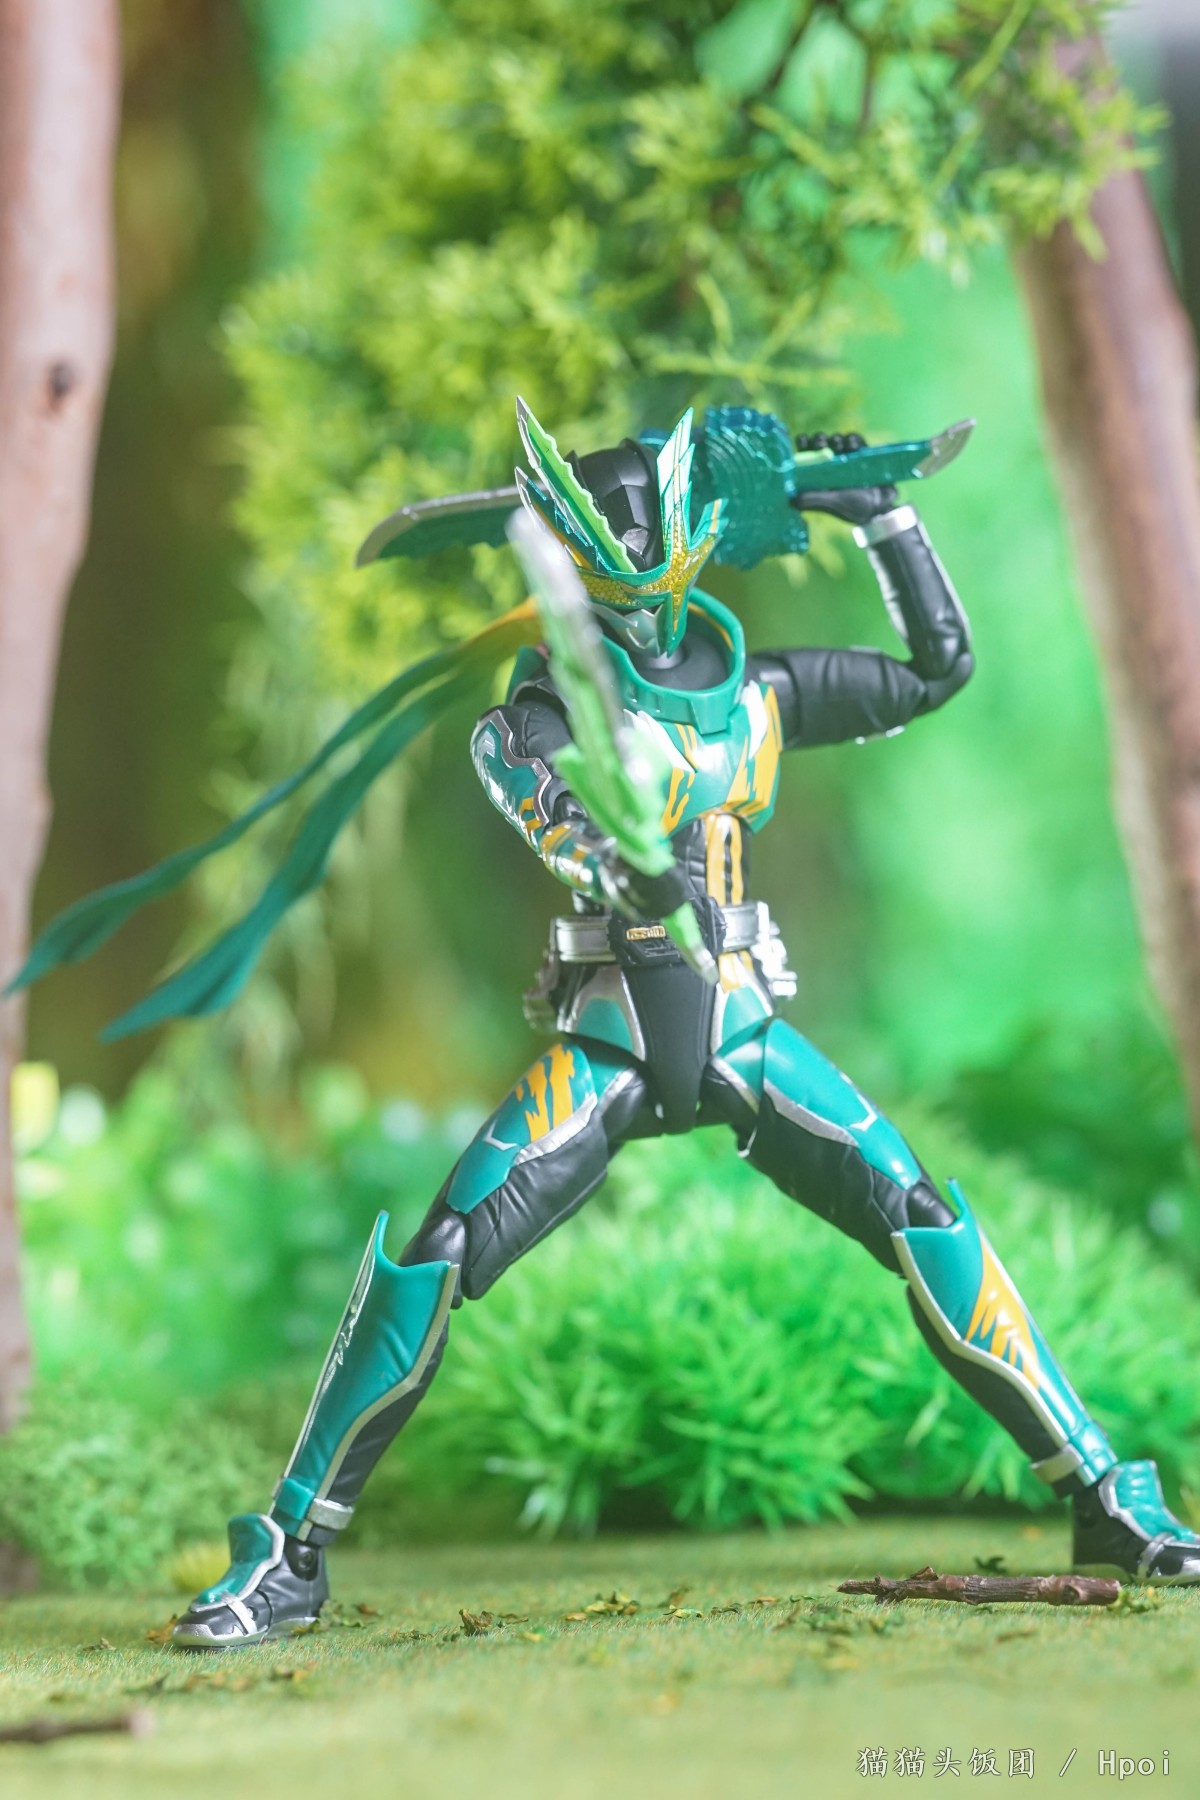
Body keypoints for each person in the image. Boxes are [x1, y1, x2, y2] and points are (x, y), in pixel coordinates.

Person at [20, 398, 1199, 1648]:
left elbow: (934, 668)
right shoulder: (536, 718)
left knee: (921, 1214)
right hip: (617, 1032)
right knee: (437, 1251)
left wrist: (882, 519)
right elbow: (548, 809)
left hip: (741, 1025)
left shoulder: (756, 694)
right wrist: (614, 857)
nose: (635, 602)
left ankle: (1106, 1497)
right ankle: (289, 1549)